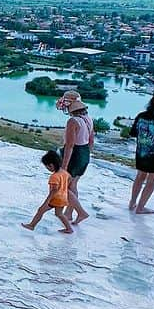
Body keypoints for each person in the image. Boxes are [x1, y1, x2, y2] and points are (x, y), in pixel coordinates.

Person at [59, 95, 94, 225]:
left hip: (75, 154)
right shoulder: (88, 119)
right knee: (73, 185)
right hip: (84, 152)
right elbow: (91, 140)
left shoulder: (73, 122)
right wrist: (86, 155)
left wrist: (64, 166)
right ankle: (69, 213)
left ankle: (81, 212)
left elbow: (70, 145)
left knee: (63, 186)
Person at [21, 151, 75, 234]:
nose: (48, 169)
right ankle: (69, 228)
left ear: (51, 165)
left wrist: (47, 201)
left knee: (41, 210)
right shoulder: (64, 172)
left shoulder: (54, 177)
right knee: (59, 214)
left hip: (55, 199)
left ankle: (32, 225)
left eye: (47, 167)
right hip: (64, 197)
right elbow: (70, 179)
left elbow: (54, 190)